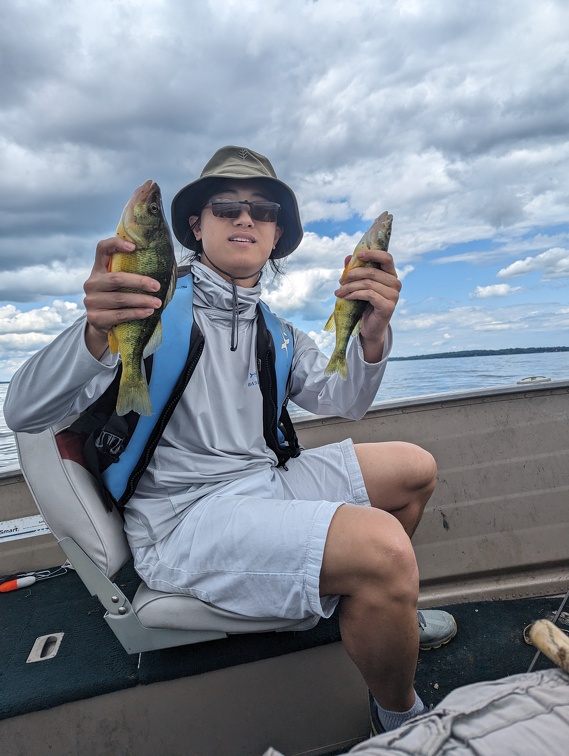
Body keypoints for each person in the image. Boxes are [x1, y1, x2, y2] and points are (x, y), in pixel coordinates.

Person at [5, 145, 456, 733]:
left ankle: (377, 610)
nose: (245, 218)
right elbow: (23, 411)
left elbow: (346, 401)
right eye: (226, 206)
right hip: (183, 519)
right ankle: (397, 715)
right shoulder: (145, 306)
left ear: (276, 235)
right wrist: (93, 331)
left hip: (263, 484)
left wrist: (372, 335)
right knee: (385, 550)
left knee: (414, 468)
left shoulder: (277, 330)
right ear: (196, 226)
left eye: (262, 210)